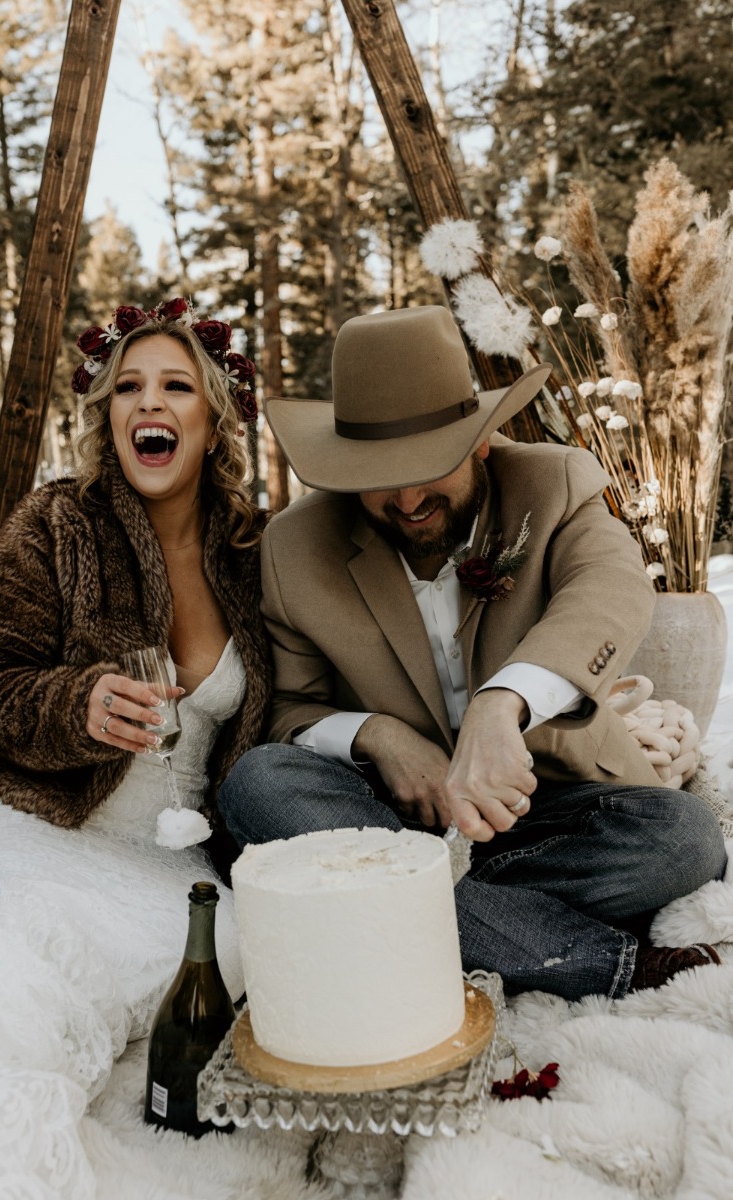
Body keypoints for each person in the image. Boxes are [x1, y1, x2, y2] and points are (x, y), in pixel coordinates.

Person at [0, 299, 271, 1193]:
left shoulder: (251, 552)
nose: (149, 404)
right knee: (22, 970)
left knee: (234, 949)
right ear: (107, 413)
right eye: (129, 387)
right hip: (27, 813)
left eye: (176, 386)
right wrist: (77, 703)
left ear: (213, 417)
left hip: (169, 854)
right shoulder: (54, 524)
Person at [219, 304, 727, 1001]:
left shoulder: (559, 484)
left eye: (430, 465)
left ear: (483, 438)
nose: (407, 497)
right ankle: (592, 958)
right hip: (393, 823)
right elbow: (288, 713)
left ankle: (392, 908)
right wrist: (380, 736)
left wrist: (502, 704)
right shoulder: (293, 548)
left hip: (551, 810)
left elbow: (611, 590)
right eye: (377, 473)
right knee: (259, 784)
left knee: (687, 840)